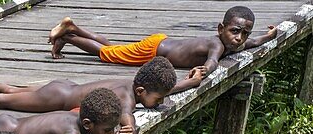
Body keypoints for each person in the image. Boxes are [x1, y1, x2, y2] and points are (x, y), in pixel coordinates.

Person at [0, 57, 185, 134]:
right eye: (158, 98)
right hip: (56, 97)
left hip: (63, 89)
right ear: (141, 92)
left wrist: (190, 82)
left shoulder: (134, 85)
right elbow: (129, 124)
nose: (160, 102)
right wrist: (129, 131)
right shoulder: (127, 98)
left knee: (13, 93)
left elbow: (153, 95)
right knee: (4, 100)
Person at [48, 5, 276, 74]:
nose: (239, 38)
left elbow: (253, 42)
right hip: (153, 50)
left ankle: (72, 27)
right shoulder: (216, 44)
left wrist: (269, 35)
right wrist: (204, 70)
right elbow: (213, 61)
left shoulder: (231, 42)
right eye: (235, 31)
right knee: (107, 54)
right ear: (220, 28)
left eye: (243, 33)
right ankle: (69, 37)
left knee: (113, 48)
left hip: (160, 42)